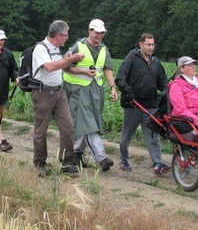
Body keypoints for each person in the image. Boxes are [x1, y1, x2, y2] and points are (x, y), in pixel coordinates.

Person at [31, 20, 86, 176]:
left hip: (59, 93)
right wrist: (69, 59)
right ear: (58, 35)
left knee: (68, 126)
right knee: (41, 130)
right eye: (66, 35)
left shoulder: (56, 49)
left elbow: (59, 65)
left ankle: (67, 161)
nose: (67, 38)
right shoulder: (40, 49)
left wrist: (68, 59)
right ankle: (40, 163)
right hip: (42, 93)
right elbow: (49, 67)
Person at [63, 19, 117, 172]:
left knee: (87, 123)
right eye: (96, 32)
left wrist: (112, 87)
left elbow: (107, 68)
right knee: (88, 124)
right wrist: (83, 72)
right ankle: (101, 158)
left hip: (96, 91)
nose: (99, 35)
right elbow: (65, 66)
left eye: (102, 33)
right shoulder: (78, 46)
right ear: (89, 31)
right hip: (78, 90)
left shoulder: (103, 49)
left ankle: (76, 153)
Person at [115, 33, 171, 175]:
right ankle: (123, 159)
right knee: (127, 134)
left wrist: (168, 91)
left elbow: (162, 82)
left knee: (153, 135)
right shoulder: (131, 59)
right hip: (133, 104)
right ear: (141, 44)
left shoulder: (156, 63)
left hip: (151, 105)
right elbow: (120, 78)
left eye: (152, 45)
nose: (151, 47)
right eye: (148, 44)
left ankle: (157, 163)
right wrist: (127, 91)